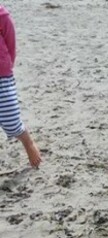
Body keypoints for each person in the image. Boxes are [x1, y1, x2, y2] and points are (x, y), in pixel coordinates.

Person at [0, 5, 41, 168]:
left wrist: (6, 66)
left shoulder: (2, 16)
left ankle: (28, 142)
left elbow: (11, 44)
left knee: (10, 119)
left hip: (1, 76)